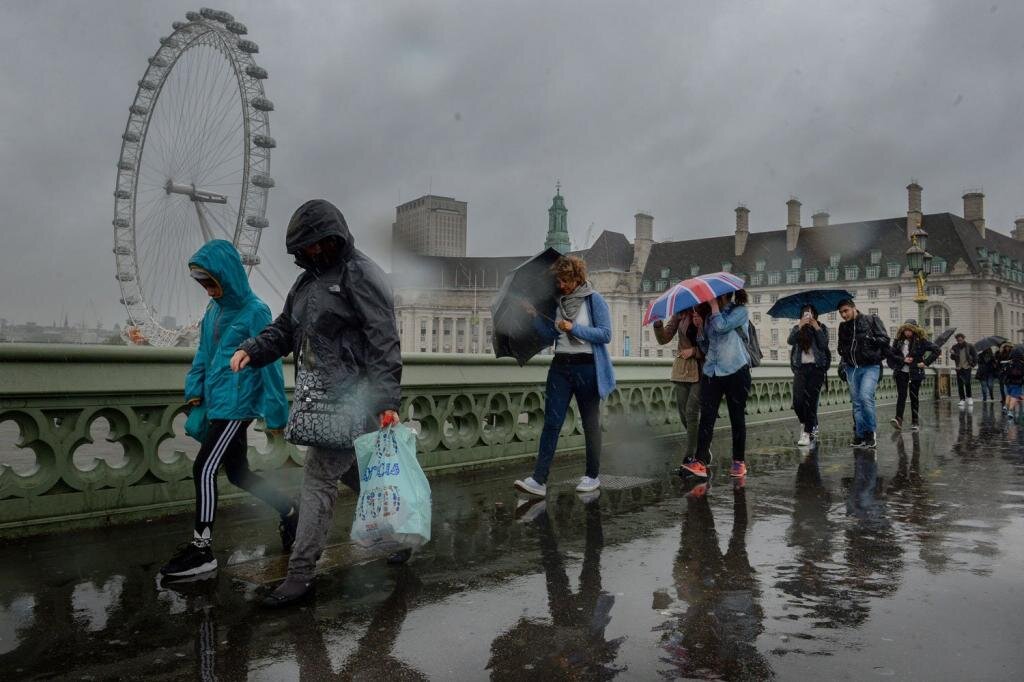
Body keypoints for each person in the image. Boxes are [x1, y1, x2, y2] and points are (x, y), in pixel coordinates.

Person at [230, 199, 403, 607]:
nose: (310, 252)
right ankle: (398, 534)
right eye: (304, 247)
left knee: (318, 479)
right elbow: (285, 330)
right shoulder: (305, 284)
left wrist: (385, 401)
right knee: (348, 474)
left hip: (353, 399)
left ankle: (301, 574)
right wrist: (253, 350)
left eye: (316, 244)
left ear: (333, 238)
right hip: (317, 397)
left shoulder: (362, 275)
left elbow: (384, 340)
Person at [160, 239, 293, 579]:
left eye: (211, 282)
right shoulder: (213, 311)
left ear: (228, 275)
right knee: (238, 474)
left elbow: (270, 363)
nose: (207, 291)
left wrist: (276, 412)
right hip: (216, 402)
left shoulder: (256, 310)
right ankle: (290, 509)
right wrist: (195, 393)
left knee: (203, 468)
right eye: (202, 284)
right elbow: (203, 355)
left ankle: (202, 549)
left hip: (238, 404)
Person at [514, 255, 615, 497]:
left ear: (577, 277)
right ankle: (539, 480)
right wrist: (535, 316)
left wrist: (574, 328)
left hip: (587, 367)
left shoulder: (594, 300)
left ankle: (592, 476)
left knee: (590, 423)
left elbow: (605, 334)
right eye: (558, 280)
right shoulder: (556, 302)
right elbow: (550, 334)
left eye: (565, 280)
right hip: (560, 366)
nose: (561, 285)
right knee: (552, 422)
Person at [680, 289, 752, 480]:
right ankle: (700, 461)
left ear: (723, 295)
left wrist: (713, 308)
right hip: (712, 372)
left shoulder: (740, 311)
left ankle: (738, 462)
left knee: (737, 418)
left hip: (736, 371)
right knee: (707, 417)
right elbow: (706, 347)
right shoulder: (710, 317)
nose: (709, 299)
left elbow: (722, 327)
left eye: (713, 297)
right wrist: (701, 328)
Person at [653, 303, 708, 461]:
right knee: (683, 412)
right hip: (682, 369)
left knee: (691, 412)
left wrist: (695, 351)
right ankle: (701, 446)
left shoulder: (706, 311)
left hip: (702, 368)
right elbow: (664, 338)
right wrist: (658, 324)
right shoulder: (680, 312)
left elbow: (713, 343)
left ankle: (691, 455)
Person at [836, 298, 889, 449]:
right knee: (857, 404)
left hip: (870, 366)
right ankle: (859, 435)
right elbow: (841, 348)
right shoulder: (843, 327)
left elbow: (885, 339)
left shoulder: (871, 320)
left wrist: (869, 339)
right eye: (841, 313)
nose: (843, 315)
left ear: (854, 308)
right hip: (852, 368)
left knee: (866, 397)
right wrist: (844, 356)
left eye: (845, 311)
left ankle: (870, 433)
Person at [787, 304, 831, 446]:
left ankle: (806, 433)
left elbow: (824, 345)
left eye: (810, 313)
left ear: (815, 315)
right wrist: (800, 326)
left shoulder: (822, 328)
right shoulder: (797, 328)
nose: (808, 315)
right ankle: (805, 423)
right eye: (805, 313)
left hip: (817, 369)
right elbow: (790, 341)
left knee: (811, 402)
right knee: (798, 402)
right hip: (800, 369)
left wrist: (816, 327)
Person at [885, 320, 939, 432]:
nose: (907, 332)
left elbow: (937, 350)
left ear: (914, 330)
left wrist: (925, 363)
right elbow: (891, 355)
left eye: (909, 329)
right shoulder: (899, 342)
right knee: (901, 396)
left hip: (915, 373)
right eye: (905, 329)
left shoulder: (921, 342)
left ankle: (915, 422)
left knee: (914, 397)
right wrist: (903, 360)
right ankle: (898, 419)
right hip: (901, 372)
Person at [948, 333, 977, 408]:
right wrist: (952, 353)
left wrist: (973, 365)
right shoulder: (955, 347)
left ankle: (969, 397)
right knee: (960, 384)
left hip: (967, 367)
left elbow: (975, 356)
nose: (959, 341)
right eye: (958, 340)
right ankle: (962, 399)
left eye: (960, 340)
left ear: (963, 339)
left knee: (967, 382)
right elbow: (952, 358)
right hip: (959, 368)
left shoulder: (970, 346)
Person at [1003, 344, 1024, 421]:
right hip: (1017, 383)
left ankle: (1005, 406)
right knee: (1014, 397)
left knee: (1008, 394)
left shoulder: (1009, 363)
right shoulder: (1022, 364)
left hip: (1009, 382)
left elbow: (1004, 372)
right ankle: (1010, 411)